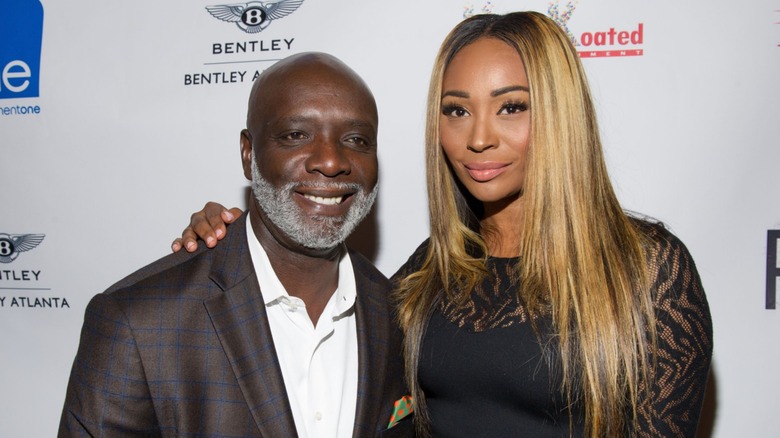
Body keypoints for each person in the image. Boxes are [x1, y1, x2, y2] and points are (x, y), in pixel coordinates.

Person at [175, 11, 713, 438]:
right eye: (457, 111)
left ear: (559, 113)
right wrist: (236, 239)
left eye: (512, 108)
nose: (478, 137)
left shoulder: (647, 269)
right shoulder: (429, 272)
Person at [59, 52, 413, 438]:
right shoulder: (138, 324)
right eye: (297, 135)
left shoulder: (401, 316)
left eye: (356, 139)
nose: (330, 161)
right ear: (249, 154)